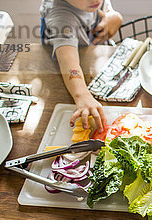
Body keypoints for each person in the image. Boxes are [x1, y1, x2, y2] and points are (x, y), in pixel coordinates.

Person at [40, 0, 122, 131]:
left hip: (90, 63)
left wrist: (114, 16)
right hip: (64, 80)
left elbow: (106, 7)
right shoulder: (61, 18)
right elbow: (67, 60)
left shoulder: (90, 2)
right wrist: (82, 95)